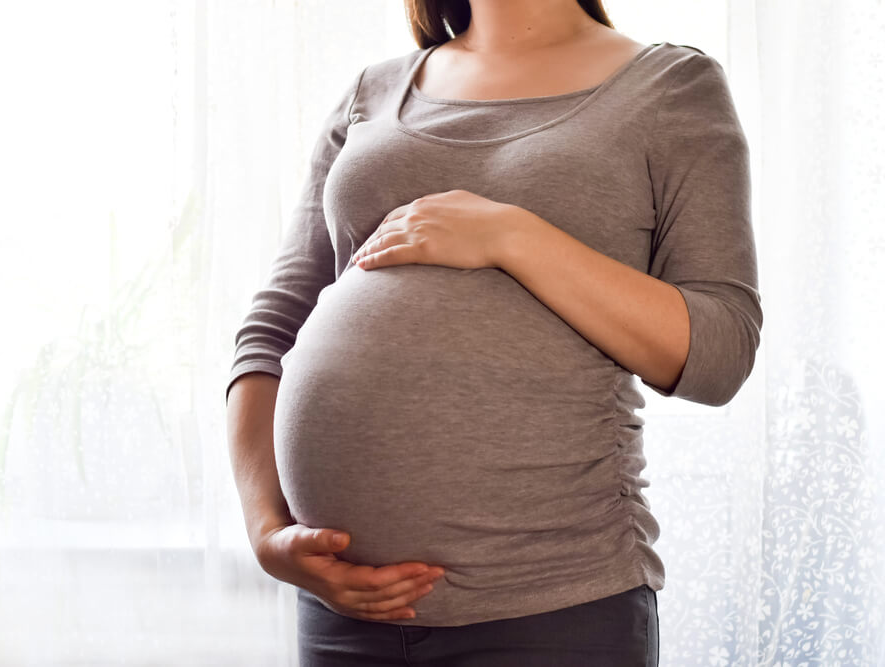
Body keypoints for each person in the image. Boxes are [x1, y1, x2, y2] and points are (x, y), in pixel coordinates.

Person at [225, 0, 763, 664]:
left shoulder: (669, 87)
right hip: (342, 614)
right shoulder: (373, 93)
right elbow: (272, 328)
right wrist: (265, 529)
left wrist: (512, 235)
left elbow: (721, 348)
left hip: (550, 613)